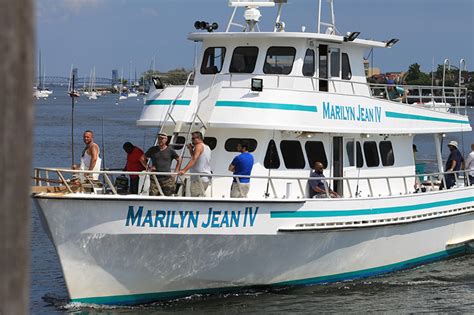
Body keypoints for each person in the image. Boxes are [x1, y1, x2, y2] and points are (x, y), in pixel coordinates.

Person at [178, 131, 212, 197]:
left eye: (193, 139)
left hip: (198, 178)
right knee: (200, 197)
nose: (192, 140)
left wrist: (184, 170)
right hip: (205, 177)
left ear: (198, 138)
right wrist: (191, 149)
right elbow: (197, 158)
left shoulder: (198, 146)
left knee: (195, 197)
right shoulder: (207, 147)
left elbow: (194, 159)